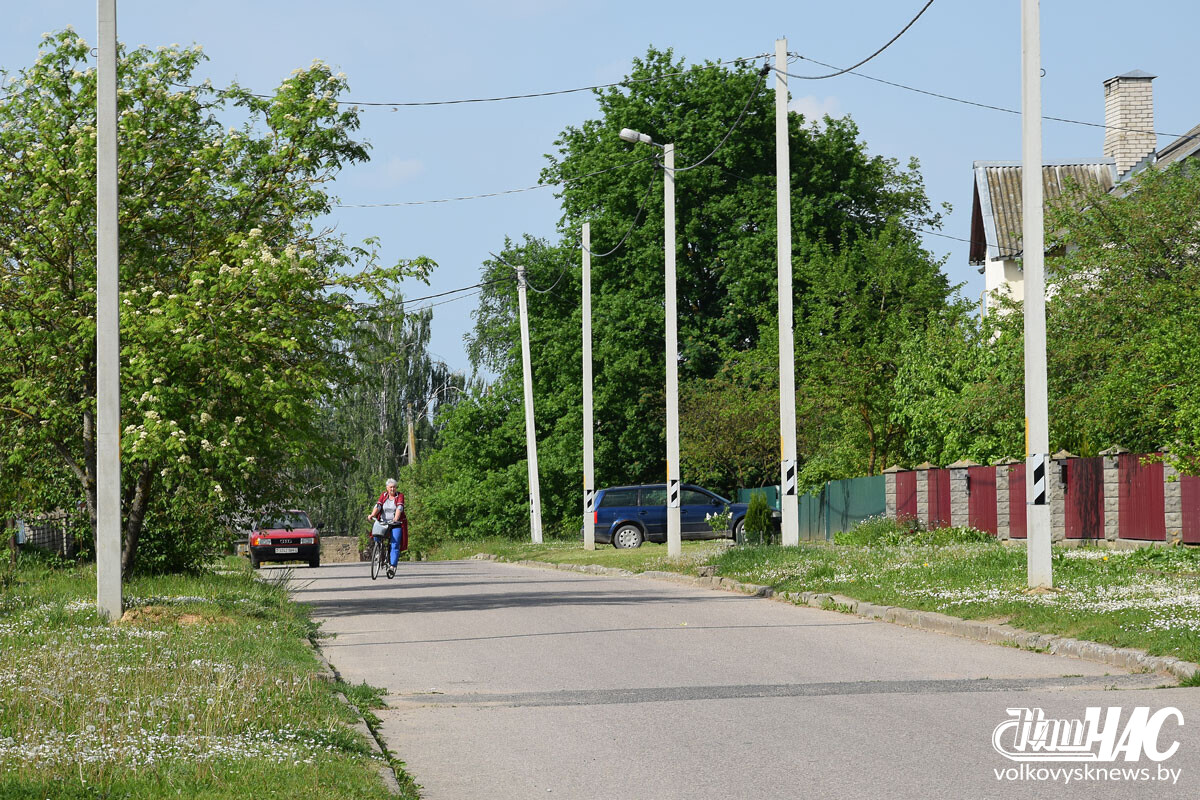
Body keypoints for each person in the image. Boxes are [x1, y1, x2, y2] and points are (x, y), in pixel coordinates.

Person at [368, 478, 408, 579]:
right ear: (387, 488)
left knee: (395, 544)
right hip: (383, 522)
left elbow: (399, 508)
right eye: (390, 487)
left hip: (395, 524)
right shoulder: (384, 496)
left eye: (394, 487)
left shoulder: (400, 496)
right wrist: (372, 514)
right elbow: (378, 506)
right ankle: (378, 552)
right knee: (376, 535)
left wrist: (396, 518)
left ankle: (392, 566)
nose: (392, 489)